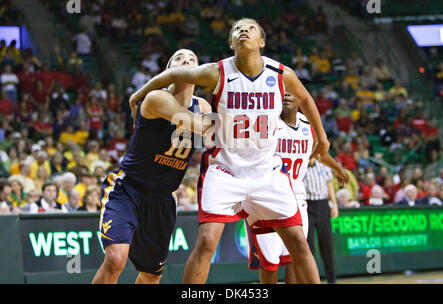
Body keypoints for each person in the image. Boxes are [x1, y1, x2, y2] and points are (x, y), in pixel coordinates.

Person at [129, 18, 330, 284]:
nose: (243, 30)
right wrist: (138, 94)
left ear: (262, 41)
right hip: (226, 169)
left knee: (298, 243)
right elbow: (172, 75)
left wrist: (323, 137)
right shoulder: (217, 72)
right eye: (237, 29)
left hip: (267, 171)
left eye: (250, 28)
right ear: (231, 42)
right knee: (206, 241)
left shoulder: (281, 74)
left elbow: (305, 99)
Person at [92, 49, 213, 284]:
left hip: (162, 199)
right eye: (179, 58)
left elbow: (214, 141)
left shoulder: (203, 107)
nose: (186, 61)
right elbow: (204, 128)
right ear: (169, 70)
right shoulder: (157, 97)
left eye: (192, 60)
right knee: (116, 259)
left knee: (151, 275)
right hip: (128, 189)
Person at [245, 91, 349, 284]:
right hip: (266, 197)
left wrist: (339, 169)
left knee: (296, 257)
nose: (286, 96)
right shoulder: (267, 122)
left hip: (297, 197)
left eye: (291, 92)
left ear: (302, 100)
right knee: (270, 263)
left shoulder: (308, 125)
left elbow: (320, 153)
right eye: (282, 92)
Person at [303, 157, 338, 284]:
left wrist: (334, 204)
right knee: (309, 247)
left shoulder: (323, 165)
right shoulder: (301, 166)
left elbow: (329, 185)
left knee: (327, 245)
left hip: (323, 205)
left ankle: (332, 280)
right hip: (307, 206)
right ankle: (311, 280)